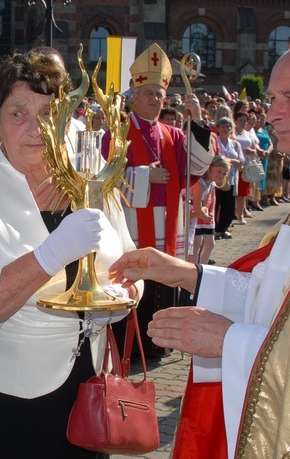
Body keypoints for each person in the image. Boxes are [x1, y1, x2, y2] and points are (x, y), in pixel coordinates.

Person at [109, 34, 290, 458]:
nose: (272, 113)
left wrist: (230, 341)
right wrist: (187, 273)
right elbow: (274, 291)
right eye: (271, 98)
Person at [0, 49, 143, 458]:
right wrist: (52, 253)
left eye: (48, 112)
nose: (35, 128)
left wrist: (121, 299)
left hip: (88, 390)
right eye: (17, 113)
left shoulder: (91, 172)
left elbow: (127, 258)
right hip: (1, 402)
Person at [101, 43, 212, 357]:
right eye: (148, 93)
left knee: (164, 279)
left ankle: (158, 346)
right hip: (132, 223)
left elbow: (198, 166)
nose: (154, 99)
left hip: (169, 222)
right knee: (133, 280)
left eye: (159, 94)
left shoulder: (174, 134)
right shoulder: (117, 134)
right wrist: (143, 176)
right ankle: (129, 349)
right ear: (134, 96)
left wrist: (197, 118)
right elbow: (104, 179)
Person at [188, 155, 230, 264]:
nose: (221, 176)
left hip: (200, 213)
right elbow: (197, 206)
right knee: (195, 244)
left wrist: (209, 212)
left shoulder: (210, 183)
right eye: (218, 171)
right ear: (210, 168)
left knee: (209, 243)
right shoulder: (200, 182)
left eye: (224, 173)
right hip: (191, 213)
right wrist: (203, 213)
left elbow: (209, 199)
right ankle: (194, 268)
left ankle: (202, 266)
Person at [213, 117, 244, 238]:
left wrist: (230, 161)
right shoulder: (215, 142)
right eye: (222, 126)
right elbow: (215, 158)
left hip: (230, 179)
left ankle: (223, 228)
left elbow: (241, 161)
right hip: (217, 179)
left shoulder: (235, 144)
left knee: (229, 205)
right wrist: (231, 160)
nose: (225, 129)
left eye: (227, 126)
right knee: (216, 204)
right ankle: (214, 229)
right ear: (218, 129)